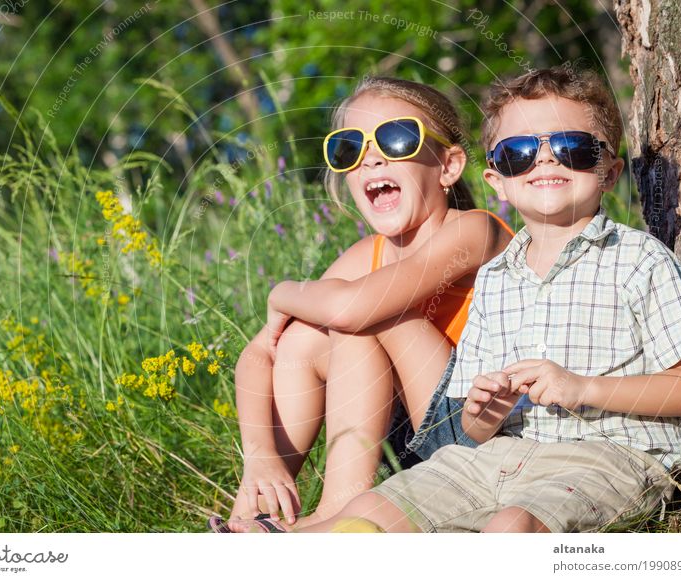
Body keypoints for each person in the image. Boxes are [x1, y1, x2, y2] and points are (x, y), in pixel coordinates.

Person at [294, 66, 681, 533]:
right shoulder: (494, 278)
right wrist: (482, 409)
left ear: (609, 171)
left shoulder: (641, 260)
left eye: (572, 148)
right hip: (493, 458)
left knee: (511, 528)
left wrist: (583, 389)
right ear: (497, 180)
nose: (546, 162)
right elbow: (474, 432)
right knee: (362, 518)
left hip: (606, 457)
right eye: (520, 153)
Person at [208, 76, 514, 532]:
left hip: (481, 432)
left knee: (365, 317)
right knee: (301, 340)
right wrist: (260, 458)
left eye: (397, 139)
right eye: (350, 148)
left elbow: (354, 308)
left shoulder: (476, 229)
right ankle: (261, 508)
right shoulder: (364, 256)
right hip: (412, 444)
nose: (372, 157)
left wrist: (282, 291)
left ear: (448, 166)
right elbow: (258, 355)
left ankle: (335, 514)